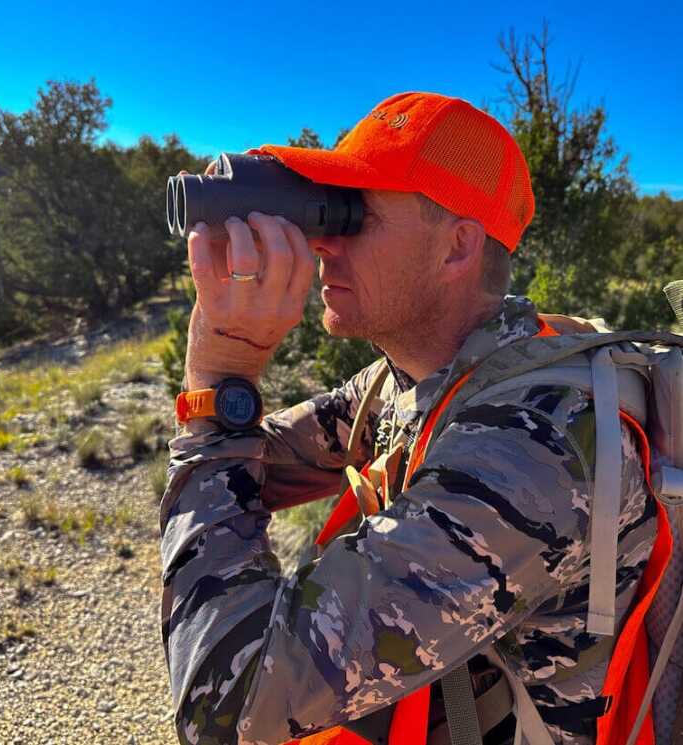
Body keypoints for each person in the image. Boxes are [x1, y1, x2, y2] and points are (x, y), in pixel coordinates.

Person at [160, 92, 657, 745]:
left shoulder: (531, 444)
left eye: (351, 214)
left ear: (456, 248)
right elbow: (255, 466)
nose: (322, 243)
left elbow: (227, 704)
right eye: (322, 209)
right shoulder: (420, 373)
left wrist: (222, 374)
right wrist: (223, 404)